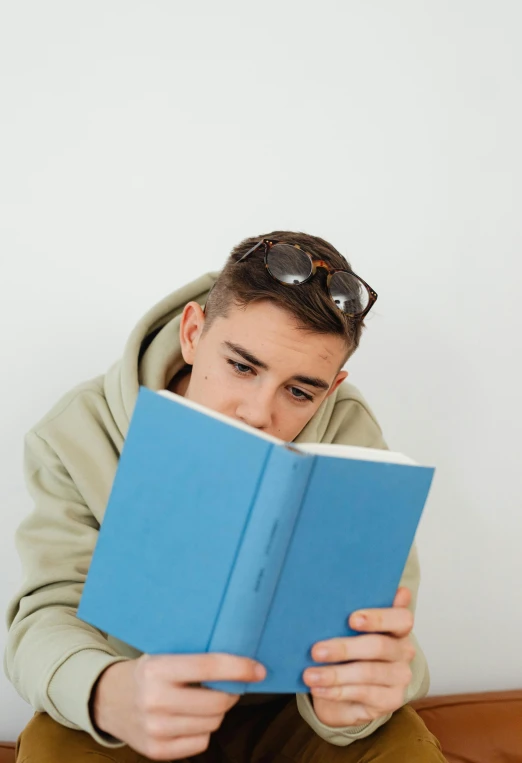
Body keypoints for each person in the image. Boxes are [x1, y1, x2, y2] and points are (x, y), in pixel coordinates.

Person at [5, 231, 445, 762]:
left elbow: (387, 637)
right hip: (141, 698)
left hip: (291, 711)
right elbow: (45, 615)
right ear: (193, 333)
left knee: (401, 745)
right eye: (242, 366)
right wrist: (105, 691)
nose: (259, 413)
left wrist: (358, 698)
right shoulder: (79, 428)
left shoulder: (351, 434)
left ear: (331, 388)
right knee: (54, 747)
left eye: (300, 391)